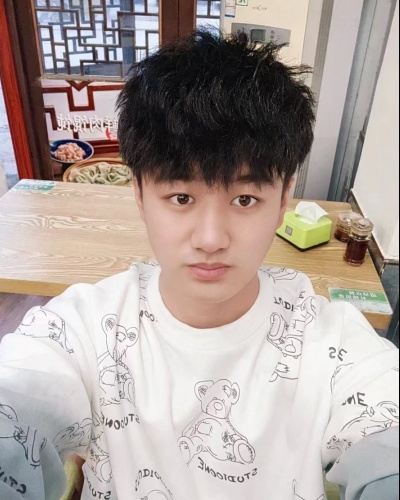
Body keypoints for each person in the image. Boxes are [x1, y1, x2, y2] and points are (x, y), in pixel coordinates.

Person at [0, 29, 398, 500]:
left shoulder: (332, 341)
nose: (211, 239)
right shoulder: (84, 329)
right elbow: (20, 395)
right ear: (139, 193)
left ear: (284, 199)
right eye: (181, 197)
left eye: (245, 199)